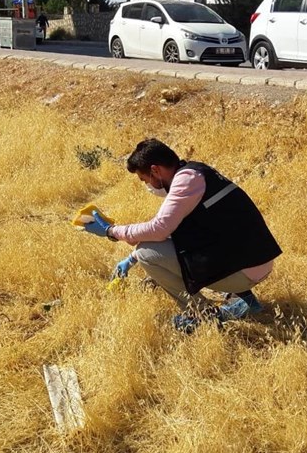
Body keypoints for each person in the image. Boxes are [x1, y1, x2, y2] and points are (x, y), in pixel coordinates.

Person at [83, 139, 282, 332]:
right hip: (255, 261)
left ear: (155, 170)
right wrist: (130, 258)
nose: (147, 185)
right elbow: (179, 234)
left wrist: (112, 232)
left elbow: (160, 228)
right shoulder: (196, 172)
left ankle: (203, 317)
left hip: (245, 271)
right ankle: (247, 300)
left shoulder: (186, 183)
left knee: (147, 254)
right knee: (153, 251)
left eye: (144, 179)